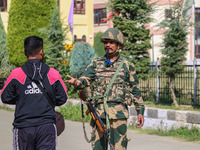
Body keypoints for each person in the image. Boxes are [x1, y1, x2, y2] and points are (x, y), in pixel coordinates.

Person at [66, 28, 144, 150]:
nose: (107, 45)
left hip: (118, 115)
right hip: (99, 114)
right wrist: (77, 82)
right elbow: (86, 78)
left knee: (119, 148)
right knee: (98, 148)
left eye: (111, 42)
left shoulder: (127, 65)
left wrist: (140, 111)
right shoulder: (96, 63)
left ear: (119, 44)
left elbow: (135, 90)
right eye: (106, 42)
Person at [1, 36, 68, 150]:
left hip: (23, 128)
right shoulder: (53, 73)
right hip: (47, 127)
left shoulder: (16, 74)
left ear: (24, 52)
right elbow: (63, 98)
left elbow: (5, 97)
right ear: (41, 51)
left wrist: (22, 98)